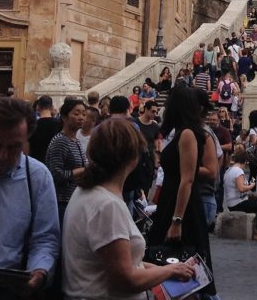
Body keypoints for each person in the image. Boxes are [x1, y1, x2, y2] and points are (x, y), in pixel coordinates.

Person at [62, 119, 195, 300]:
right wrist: (169, 271)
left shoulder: (87, 192)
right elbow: (126, 279)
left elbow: (125, 264)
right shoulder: (107, 205)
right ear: (133, 157)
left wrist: (169, 270)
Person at [0, 98, 60, 300]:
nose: (2, 155)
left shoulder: (37, 177)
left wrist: (39, 272)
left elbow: (45, 239)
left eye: (14, 147)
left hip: (7, 292)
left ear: (26, 142)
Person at [146, 85, 216, 297]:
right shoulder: (183, 132)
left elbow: (187, 179)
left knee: (183, 270)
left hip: (180, 208)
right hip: (173, 202)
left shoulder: (187, 134)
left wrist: (177, 221)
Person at [45, 97, 89, 224]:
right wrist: (83, 170)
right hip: (62, 201)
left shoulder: (76, 141)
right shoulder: (60, 141)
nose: (81, 117)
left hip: (75, 199)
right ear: (64, 117)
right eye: (76, 114)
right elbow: (55, 174)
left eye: (84, 114)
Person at [223, 146, 257, 240]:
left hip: (232, 203)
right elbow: (241, 188)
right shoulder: (238, 171)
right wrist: (251, 186)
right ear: (245, 161)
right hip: (238, 203)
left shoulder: (229, 170)